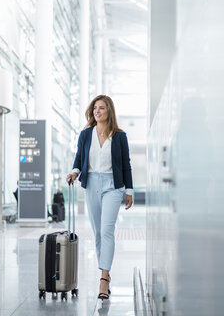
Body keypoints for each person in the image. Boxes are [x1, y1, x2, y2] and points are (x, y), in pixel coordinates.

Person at [66, 94, 133, 300]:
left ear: (109, 111)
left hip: (113, 186)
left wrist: (129, 190)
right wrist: (74, 171)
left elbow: (126, 163)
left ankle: (103, 279)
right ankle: (105, 271)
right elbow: (79, 158)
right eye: (95, 108)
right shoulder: (86, 134)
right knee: (97, 233)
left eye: (102, 108)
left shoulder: (119, 136)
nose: (97, 111)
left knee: (106, 231)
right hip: (92, 183)